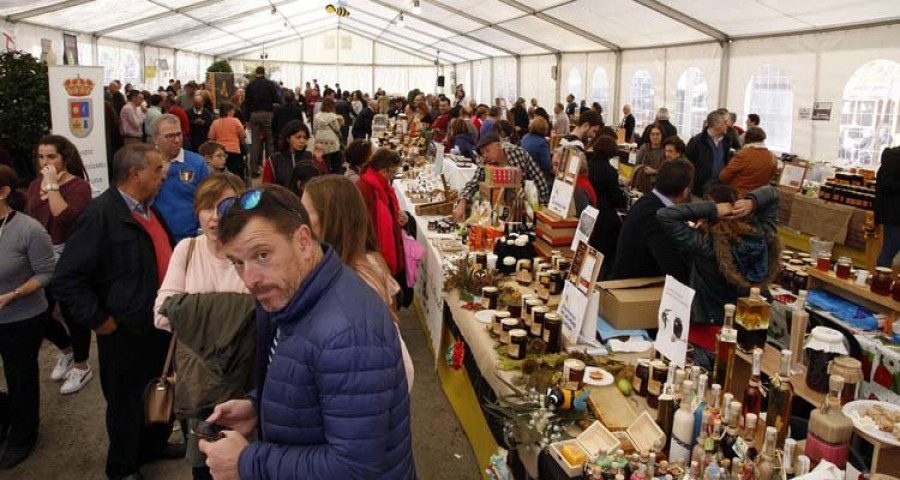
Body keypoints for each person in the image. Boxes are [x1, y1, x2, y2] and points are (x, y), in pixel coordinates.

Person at [197, 185, 416, 479]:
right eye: (238, 262)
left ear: (302, 240)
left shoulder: (348, 335)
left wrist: (247, 461)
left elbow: (354, 469)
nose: (249, 279)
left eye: (262, 255)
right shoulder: (291, 292)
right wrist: (257, 404)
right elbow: (308, 377)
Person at [54, 144, 184, 479]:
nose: (163, 177)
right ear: (134, 173)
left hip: (158, 323)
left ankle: (153, 445)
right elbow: (67, 279)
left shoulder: (147, 208)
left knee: (160, 387)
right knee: (126, 402)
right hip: (125, 330)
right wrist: (99, 320)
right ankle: (124, 466)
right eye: (157, 170)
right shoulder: (100, 215)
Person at [153, 173, 255, 480]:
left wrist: (193, 311)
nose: (213, 217)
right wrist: (238, 313)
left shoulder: (251, 252)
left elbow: (268, 313)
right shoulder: (187, 250)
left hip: (246, 378)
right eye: (206, 207)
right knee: (204, 464)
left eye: (223, 206)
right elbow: (160, 314)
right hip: (198, 383)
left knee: (247, 462)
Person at [300, 175, 414, 388]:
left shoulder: (356, 280)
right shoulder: (363, 263)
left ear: (330, 218)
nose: (300, 220)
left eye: (305, 212)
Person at [657, 185, 780, 368]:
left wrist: (713, 210)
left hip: (706, 338)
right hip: (747, 339)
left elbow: (665, 215)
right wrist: (752, 202)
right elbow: (773, 195)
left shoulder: (706, 244)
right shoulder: (763, 235)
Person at [25, 135, 94, 395]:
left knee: (72, 313)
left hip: (68, 255)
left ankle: (81, 364)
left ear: (65, 157)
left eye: (51, 156)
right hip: (39, 257)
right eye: (41, 157)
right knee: (39, 315)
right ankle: (66, 351)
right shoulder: (33, 185)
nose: (45, 162)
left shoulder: (78, 187)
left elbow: (63, 216)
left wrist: (53, 186)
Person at [0, 165, 55, 470]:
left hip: (21, 318)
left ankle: (23, 434)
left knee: (19, 377)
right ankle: (4, 417)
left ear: (4, 192)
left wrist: (13, 294)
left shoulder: (28, 229)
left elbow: (46, 273)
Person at [609, 159, 694, 282]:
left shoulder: (647, 201)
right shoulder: (658, 216)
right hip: (633, 288)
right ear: (686, 192)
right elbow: (672, 267)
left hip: (625, 277)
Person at [455, 133, 551, 220]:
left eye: (487, 151)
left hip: (522, 210)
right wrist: (462, 202)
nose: (485, 155)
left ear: (499, 146)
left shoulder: (519, 154)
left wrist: (542, 207)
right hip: (496, 212)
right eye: (482, 153)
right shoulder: (485, 163)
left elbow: (539, 179)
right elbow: (473, 183)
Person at [151, 114, 211, 243]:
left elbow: (208, 201)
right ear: (156, 138)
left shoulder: (197, 163)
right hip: (156, 239)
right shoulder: (145, 164)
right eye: (170, 136)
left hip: (189, 238)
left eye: (179, 134)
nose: (177, 140)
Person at [357, 149, 408, 280]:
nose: (394, 176)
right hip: (374, 251)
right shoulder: (365, 188)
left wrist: (400, 216)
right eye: (394, 172)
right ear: (384, 170)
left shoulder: (383, 186)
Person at [587, 136, 628, 276]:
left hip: (590, 214)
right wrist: (625, 200)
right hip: (605, 218)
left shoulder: (587, 165)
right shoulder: (609, 171)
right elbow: (616, 198)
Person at [244, 66, 281, 177]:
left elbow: (247, 103)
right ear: (264, 73)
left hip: (254, 115)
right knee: (269, 142)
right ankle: (271, 168)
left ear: (256, 73)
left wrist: (247, 120)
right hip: (267, 114)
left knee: (255, 143)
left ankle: (254, 170)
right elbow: (277, 99)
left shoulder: (250, 85)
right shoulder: (270, 84)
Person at [686, 110, 732, 197]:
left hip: (721, 186)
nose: (728, 125)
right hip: (701, 188)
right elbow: (688, 164)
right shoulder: (697, 141)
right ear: (716, 123)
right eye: (725, 122)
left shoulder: (726, 140)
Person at [719, 127, 777, 197]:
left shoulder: (744, 154)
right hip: (760, 197)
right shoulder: (772, 156)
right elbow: (771, 176)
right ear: (763, 139)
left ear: (746, 139)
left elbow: (723, 177)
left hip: (739, 196)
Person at [271, 121, 320, 189]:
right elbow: (267, 188)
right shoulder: (274, 160)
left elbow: (322, 182)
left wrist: (319, 160)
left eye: (305, 138)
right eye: (298, 137)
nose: (302, 141)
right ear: (288, 138)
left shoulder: (309, 157)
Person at [207, 102, 246, 179]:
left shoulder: (215, 122)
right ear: (229, 111)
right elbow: (243, 135)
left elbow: (211, 137)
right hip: (234, 151)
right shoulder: (235, 121)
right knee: (234, 172)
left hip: (220, 151)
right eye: (233, 110)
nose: (234, 112)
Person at [876, 146, 900, 267]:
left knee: (888, 252)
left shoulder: (890, 158)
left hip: (891, 214)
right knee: (888, 253)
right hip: (895, 215)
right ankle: (880, 283)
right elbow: (886, 185)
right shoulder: (895, 160)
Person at [313, 97, 343, 174]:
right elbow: (337, 129)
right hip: (331, 140)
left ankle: (324, 174)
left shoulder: (317, 116)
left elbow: (315, 128)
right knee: (335, 160)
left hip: (319, 139)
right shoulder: (332, 116)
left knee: (323, 161)